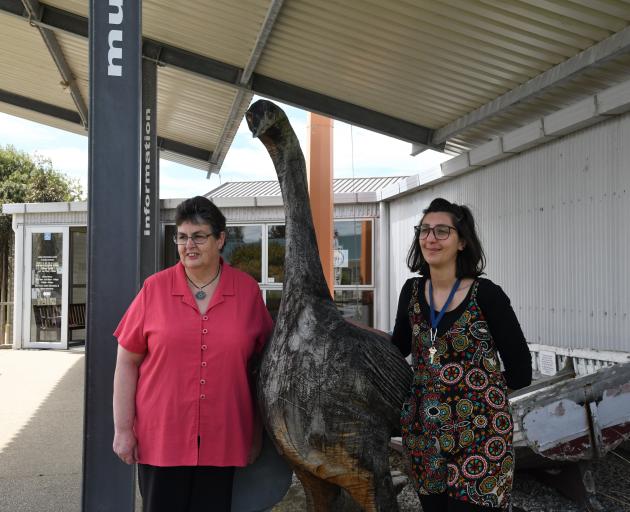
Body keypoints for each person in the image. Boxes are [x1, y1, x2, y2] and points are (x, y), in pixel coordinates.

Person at [112, 196, 273, 512]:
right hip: (161, 435)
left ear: (220, 239)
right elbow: (126, 361)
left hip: (224, 435)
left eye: (199, 236)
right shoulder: (154, 289)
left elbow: (263, 367)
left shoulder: (247, 292)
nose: (190, 245)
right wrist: (122, 429)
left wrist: (256, 433)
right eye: (182, 237)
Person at [391, 198, 532, 512]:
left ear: (462, 241)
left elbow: (522, 370)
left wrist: (480, 395)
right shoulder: (411, 292)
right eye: (424, 230)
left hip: (481, 434)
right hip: (424, 436)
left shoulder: (487, 295)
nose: (430, 238)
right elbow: (398, 347)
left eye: (442, 231)